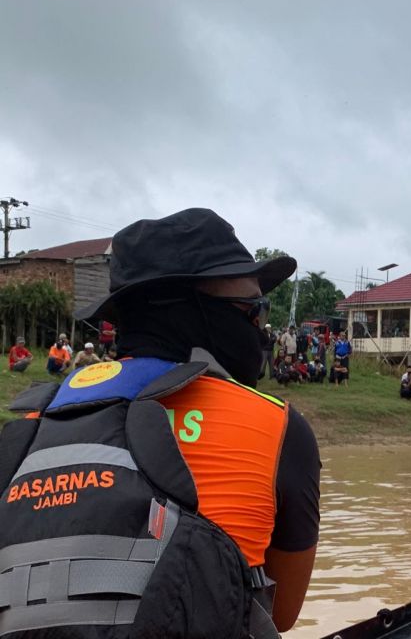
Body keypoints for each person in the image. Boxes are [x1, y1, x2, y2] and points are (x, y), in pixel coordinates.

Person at [1, 208, 320, 637]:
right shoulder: (276, 426)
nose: (262, 329)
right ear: (191, 310)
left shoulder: (34, 421)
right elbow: (280, 614)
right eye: (253, 310)